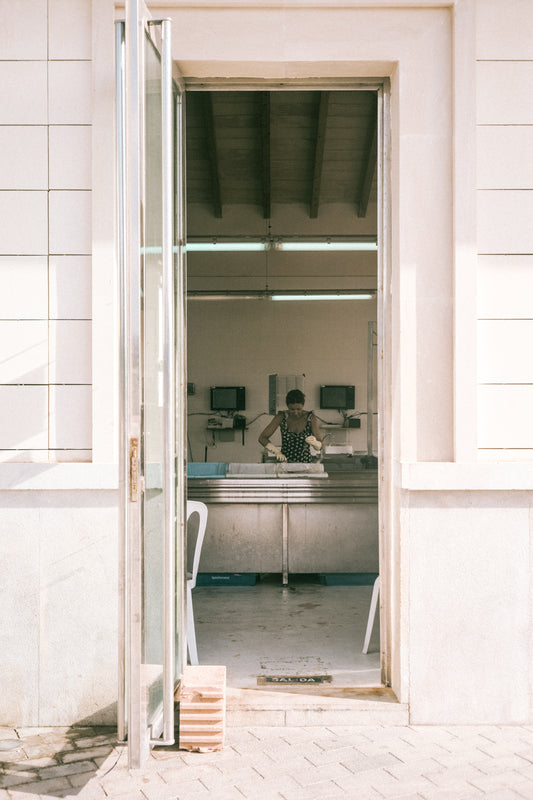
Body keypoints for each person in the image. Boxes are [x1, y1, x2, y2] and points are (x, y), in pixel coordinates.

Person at [258, 389, 323, 463]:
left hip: (305, 463)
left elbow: (321, 444)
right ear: (287, 406)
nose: (295, 412)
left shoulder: (310, 418)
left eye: (299, 409)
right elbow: (262, 438)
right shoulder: (281, 416)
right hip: (285, 462)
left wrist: (316, 444)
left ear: (303, 405)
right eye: (292, 409)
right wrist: (276, 452)